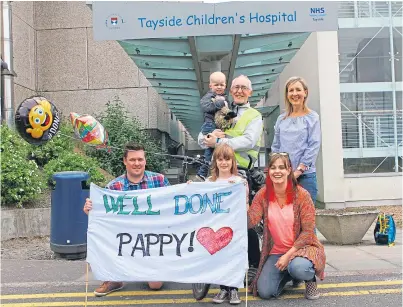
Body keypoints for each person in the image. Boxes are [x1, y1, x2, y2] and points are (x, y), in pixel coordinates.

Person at [83, 142, 170, 297]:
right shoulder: (114, 187)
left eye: (140, 159)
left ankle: (144, 267)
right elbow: (103, 218)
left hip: (153, 239)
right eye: (132, 160)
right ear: (125, 161)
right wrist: (91, 210)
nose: (137, 163)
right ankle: (114, 278)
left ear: (145, 160)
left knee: (155, 285)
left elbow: (175, 204)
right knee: (103, 239)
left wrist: (189, 189)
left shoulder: (160, 180)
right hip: (126, 240)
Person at [198, 74, 264, 270]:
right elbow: (202, 137)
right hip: (217, 173)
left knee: (244, 221)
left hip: (241, 174)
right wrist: (208, 138)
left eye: (244, 87)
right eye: (236, 87)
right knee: (215, 220)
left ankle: (253, 264)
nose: (239, 90)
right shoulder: (222, 107)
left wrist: (220, 142)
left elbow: (249, 141)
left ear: (250, 92)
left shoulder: (254, 115)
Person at [247, 153, 326, 300]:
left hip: (302, 249)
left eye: (282, 167)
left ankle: (308, 279)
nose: (277, 171)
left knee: (298, 267)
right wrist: (244, 198)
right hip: (276, 251)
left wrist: (288, 256)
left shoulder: (302, 195)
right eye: (273, 167)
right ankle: (288, 275)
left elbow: (308, 233)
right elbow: (249, 222)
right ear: (268, 171)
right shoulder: (262, 195)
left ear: (289, 170)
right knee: (264, 292)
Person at [191, 144, 248, 304]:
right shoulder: (210, 181)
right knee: (220, 258)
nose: (223, 163)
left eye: (227, 159)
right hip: (216, 226)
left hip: (234, 227)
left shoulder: (239, 181)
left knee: (233, 257)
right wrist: (190, 187)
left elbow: (245, 205)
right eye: (220, 159)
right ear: (215, 161)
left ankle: (234, 289)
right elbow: (199, 198)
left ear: (233, 162)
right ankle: (223, 289)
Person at [271, 76, 321, 204]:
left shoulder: (312, 117)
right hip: (283, 177)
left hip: (305, 176)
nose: (294, 94)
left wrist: (298, 171)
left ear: (305, 92)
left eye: (298, 90)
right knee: (285, 216)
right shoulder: (281, 119)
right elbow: (276, 147)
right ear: (287, 94)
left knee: (306, 218)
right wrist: (279, 171)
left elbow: (314, 145)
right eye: (291, 90)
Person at [196, 71, 234, 181]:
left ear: (225, 85)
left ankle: (204, 171)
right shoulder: (209, 97)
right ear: (210, 86)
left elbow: (225, 112)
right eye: (216, 84)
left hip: (218, 126)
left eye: (221, 84)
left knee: (214, 149)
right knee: (210, 149)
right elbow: (206, 107)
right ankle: (203, 171)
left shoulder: (226, 98)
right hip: (210, 125)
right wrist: (218, 104)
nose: (219, 87)